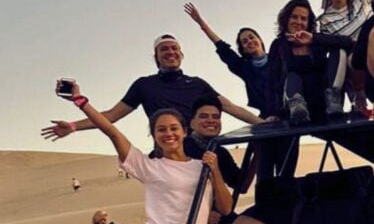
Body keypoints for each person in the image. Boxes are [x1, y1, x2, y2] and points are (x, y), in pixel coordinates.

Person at [55, 82, 233, 224]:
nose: (169, 133)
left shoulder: (202, 167)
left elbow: (225, 208)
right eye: (161, 129)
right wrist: (81, 102)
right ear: (154, 135)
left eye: (174, 128)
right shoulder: (148, 166)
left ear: (185, 131)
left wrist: (215, 170)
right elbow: (112, 131)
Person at [41, 34, 261, 144]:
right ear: (156, 57)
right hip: (167, 154)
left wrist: (263, 125)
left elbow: (231, 108)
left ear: (181, 55)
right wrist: (72, 126)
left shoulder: (197, 84)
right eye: (164, 49)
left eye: (175, 48)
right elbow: (111, 116)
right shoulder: (144, 85)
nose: (170, 52)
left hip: (203, 152)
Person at [185, 96, 270, 224]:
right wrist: (202, 213)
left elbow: (241, 185)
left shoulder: (220, 151)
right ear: (191, 122)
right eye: (204, 116)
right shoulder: (182, 149)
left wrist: (258, 153)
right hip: (187, 218)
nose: (211, 120)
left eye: (216, 117)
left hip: (219, 216)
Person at [267, 0, 354, 124]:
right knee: (292, 76)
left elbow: (348, 43)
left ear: (308, 22)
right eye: (294, 17)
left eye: (303, 18)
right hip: (295, 105)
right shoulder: (278, 45)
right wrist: (272, 113)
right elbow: (272, 79)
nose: (298, 22)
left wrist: (314, 38)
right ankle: (298, 107)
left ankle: (333, 99)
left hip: (324, 102)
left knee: (339, 50)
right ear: (286, 19)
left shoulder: (316, 43)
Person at [184, 6, 271, 118]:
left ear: (260, 40)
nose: (249, 41)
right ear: (243, 48)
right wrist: (201, 23)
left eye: (252, 37)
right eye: (245, 41)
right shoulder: (244, 67)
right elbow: (223, 48)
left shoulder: (278, 58)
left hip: (291, 107)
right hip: (268, 116)